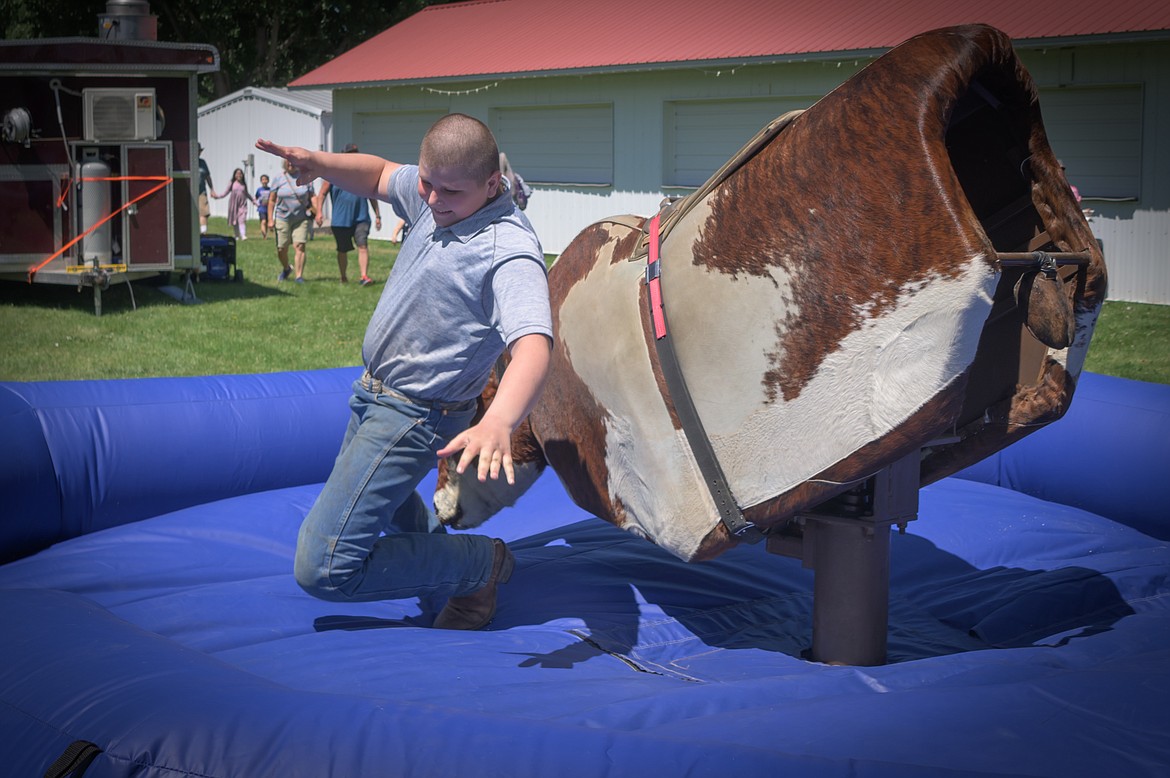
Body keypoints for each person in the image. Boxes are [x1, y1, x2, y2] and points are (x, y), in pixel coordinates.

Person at [255, 113, 552, 631]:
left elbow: (533, 347)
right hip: (373, 396)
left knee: (324, 567)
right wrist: (317, 163)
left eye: (451, 192)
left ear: (492, 184)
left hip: (417, 415)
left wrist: (499, 420)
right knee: (390, 513)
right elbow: (376, 174)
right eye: (427, 184)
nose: (434, 200)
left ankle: (479, 568)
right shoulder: (435, 198)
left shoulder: (508, 250)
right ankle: (451, 571)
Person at [313, 143, 383, 285]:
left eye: (355, 153)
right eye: (350, 153)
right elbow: (321, 195)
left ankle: (364, 276)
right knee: (342, 249)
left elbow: (372, 196)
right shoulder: (332, 174)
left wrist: (377, 215)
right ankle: (343, 276)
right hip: (341, 220)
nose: (353, 156)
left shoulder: (364, 174)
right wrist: (319, 212)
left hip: (361, 217)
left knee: (362, 245)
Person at [267, 158, 315, 283]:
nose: (290, 164)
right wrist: (270, 219)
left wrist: (318, 211)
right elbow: (271, 200)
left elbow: (312, 196)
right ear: (284, 163)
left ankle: (299, 276)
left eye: (293, 161)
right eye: (288, 161)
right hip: (282, 218)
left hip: (301, 218)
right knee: (281, 248)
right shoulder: (278, 178)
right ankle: (286, 268)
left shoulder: (305, 177)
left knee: (300, 246)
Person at [213, 167, 255, 241]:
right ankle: (236, 235)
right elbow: (226, 192)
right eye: (237, 174)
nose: (239, 175)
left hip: (242, 204)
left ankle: (243, 235)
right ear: (235, 175)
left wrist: (254, 201)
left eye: (240, 174)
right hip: (234, 204)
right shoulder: (232, 183)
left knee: (242, 219)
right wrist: (218, 196)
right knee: (235, 220)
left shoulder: (244, 184)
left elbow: (247, 194)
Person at [197, 145, 214, 234]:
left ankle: (203, 232)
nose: (198, 153)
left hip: (201, 192)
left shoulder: (202, 162)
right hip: (189, 192)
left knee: (204, 212)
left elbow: (208, 177)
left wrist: (212, 189)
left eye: (199, 151)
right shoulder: (187, 161)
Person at [255, 174, 272, 240]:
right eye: (263, 180)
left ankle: (265, 235)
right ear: (261, 181)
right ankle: (264, 235)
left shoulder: (270, 189)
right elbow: (256, 198)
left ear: (268, 181)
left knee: (267, 222)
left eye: (266, 180)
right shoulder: (259, 190)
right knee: (263, 221)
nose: (264, 181)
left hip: (268, 208)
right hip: (261, 208)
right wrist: (257, 204)